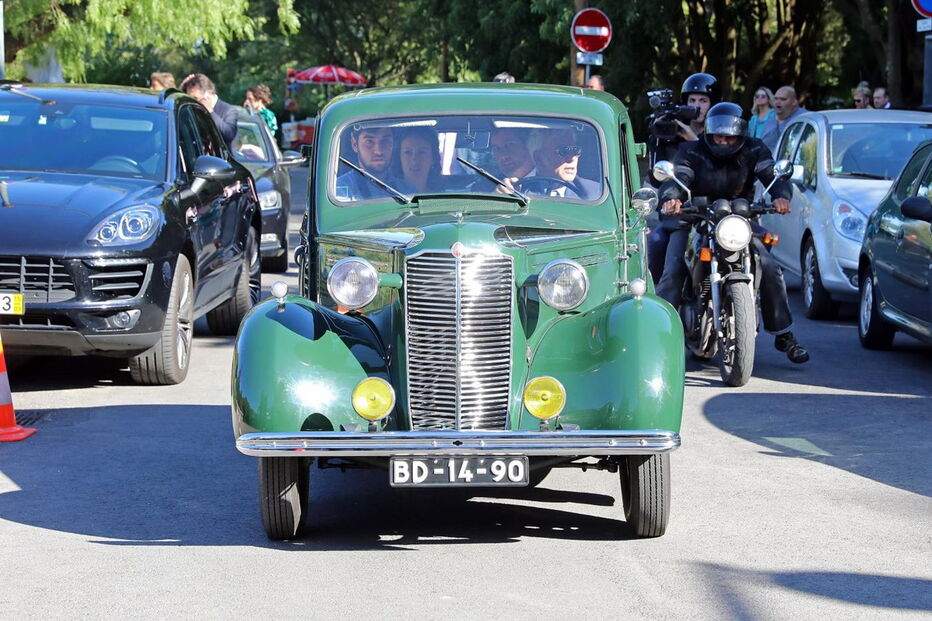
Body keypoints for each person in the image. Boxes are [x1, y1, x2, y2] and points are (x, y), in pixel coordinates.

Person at [657, 102, 809, 364]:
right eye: (718, 136)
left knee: (769, 265)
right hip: (696, 217)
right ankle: (657, 338)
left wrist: (781, 196)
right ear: (708, 133)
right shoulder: (692, 150)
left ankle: (784, 333)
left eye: (729, 137)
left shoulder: (754, 149)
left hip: (739, 219)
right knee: (673, 270)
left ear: (740, 135)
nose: (723, 141)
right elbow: (679, 176)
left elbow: (770, 172)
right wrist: (673, 198)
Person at [647, 72, 719, 282]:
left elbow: (716, 171)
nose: (697, 106)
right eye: (692, 100)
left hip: (715, 213)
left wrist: (693, 140)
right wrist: (657, 141)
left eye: (703, 100)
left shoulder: (723, 135)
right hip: (678, 216)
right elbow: (655, 179)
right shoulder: (670, 135)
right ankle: (658, 304)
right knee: (657, 242)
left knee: (761, 245)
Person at [335, 126, 404, 200]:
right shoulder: (338, 191)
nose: (378, 151)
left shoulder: (407, 191)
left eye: (385, 141)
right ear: (354, 144)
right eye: (369, 141)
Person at [528, 129, 600, 199]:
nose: (572, 158)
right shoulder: (521, 191)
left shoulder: (595, 193)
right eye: (563, 151)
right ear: (539, 158)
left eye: (575, 150)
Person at [179, 73, 238, 149]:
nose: (192, 103)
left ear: (209, 94)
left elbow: (229, 134)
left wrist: (210, 112)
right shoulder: (191, 110)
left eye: (196, 99)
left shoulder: (229, 110)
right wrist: (181, 89)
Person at [760, 86, 806, 154]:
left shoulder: (805, 118)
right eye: (776, 99)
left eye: (783, 99)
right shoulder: (769, 122)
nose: (778, 102)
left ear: (794, 102)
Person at [397, 128, 442, 194]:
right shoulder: (384, 197)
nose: (414, 160)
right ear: (399, 157)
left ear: (433, 158)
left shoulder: (445, 197)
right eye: (408, 152)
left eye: (421, 152)